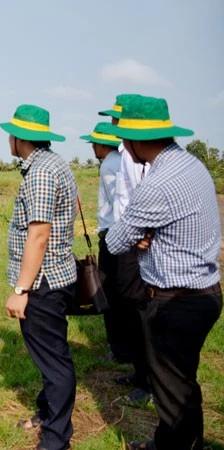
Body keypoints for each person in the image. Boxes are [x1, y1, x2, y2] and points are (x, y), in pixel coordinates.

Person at [105, 95, 222, 450]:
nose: (124, 147)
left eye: (125, 139)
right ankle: (187, 442)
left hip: (174, 303)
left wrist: (139, 235)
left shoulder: (157, 184)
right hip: (206, 293)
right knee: (183, 383)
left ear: (138, 141)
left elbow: (115, 241)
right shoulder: (192, 165)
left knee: (170, 391)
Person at [0, 104, 78, 450]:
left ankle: (56, 440)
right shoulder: (54, 163)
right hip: (55, 276)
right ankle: (47, 414)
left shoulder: (41, 173)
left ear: (20, 138)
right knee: (51, 354)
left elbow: (39, 235)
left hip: (43, 283)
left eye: (10, 135)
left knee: (54, 361)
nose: (8, 140)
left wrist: (21, 289)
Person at [98, 94, 152, 404]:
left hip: (134, 242)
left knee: (139, 309)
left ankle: (149, 381)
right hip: (124, 240)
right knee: (129, 307)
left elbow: (138, 201)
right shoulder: (123, 154)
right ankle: (138, 370)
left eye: (116, 118)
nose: (113, 123)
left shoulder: (132, 157)